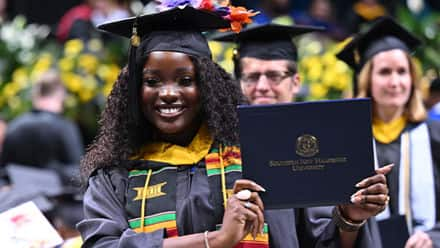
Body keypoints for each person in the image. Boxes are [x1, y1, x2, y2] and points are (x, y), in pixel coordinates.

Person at [77, 3, 390, 247]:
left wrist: (350, 218)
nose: (169, 93)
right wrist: (217, 240)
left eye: (186, 80)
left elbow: (318, 241)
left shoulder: (263, 159)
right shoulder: (114, 174)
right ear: (134, 89)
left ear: (208, 87)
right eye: (152, 81)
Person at [337, 16, 440, 247]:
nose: (395, 82)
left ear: (412, 79)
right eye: (384, 72)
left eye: (402, 71)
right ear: (367, 80)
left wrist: (433, 237)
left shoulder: (435, 136)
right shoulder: (346, 140)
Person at [0, 69, 84, 183]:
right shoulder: (65, 128)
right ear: (61, 94)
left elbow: (4, 173)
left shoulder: (15, 127)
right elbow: (79, 175)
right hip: (58, 198)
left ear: (36, 94)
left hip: (21, 198)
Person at [212, 23, 323, 105]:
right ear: (239, 82)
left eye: (274, 76)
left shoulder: (317, 133)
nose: (262, 87)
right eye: (252, 77)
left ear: (295, 83)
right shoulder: (223, 135)